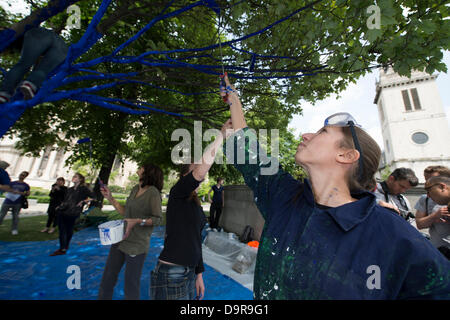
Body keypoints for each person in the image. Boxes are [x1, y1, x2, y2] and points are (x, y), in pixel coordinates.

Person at [220, 74, 450, 299]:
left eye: (322, 132)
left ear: (346, 155)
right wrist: (233, 97)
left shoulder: (392, 235)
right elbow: (247, 149)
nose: (305, 134)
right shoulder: (284, 196)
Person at [151, 123, 228, 300]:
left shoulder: (195, 203)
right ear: (185, 177)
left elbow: (195, 239)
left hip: (189, 272)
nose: (201, 171)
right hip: (172, 273)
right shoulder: (177, 193)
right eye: (196, 168)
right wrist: (221, 136)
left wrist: (198, 273)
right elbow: (200, 173)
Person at [98, 164, 163, 300]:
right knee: (107, 278)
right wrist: (110, 197)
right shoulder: (134, 189)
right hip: (120, 239)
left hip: (137, 245)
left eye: (142, 167)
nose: (139, 167)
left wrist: (138, 221)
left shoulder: (153, 193)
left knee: (130, 285)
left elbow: (157, 220)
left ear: (148, 172)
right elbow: (125, 212)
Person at [0, 27, 68, 103]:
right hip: (62, 45)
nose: (5, 54)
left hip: (38, 34)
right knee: (43, 70)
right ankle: (30, 84)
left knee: (24, 64)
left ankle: (4, 93)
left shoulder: (7, 39)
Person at [50, 173, 94, 256]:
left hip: (73, 212)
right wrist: (60, 206)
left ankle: (64, 247)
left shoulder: (83, 189)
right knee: (62, 230)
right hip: (63, 211)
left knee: (69, 230)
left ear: (80, 179)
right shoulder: (69, 189)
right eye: (73, 176)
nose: (73, 177)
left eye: (75, 177)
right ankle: (63, 248)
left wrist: (83, 201)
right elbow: (66, 200)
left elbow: (93, 197)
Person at [0, 171, 30, 235]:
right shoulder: (12, 183)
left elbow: (27, 193)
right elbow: (5, 189)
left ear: (25, 177)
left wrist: (20, 193)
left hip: (17, 202)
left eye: (23, 175)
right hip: (8, 201)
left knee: (15, 217)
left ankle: (14, 229)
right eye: (21, 174)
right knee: (1, 215)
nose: (21, 176)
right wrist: (12, 191)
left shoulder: (26, 185)